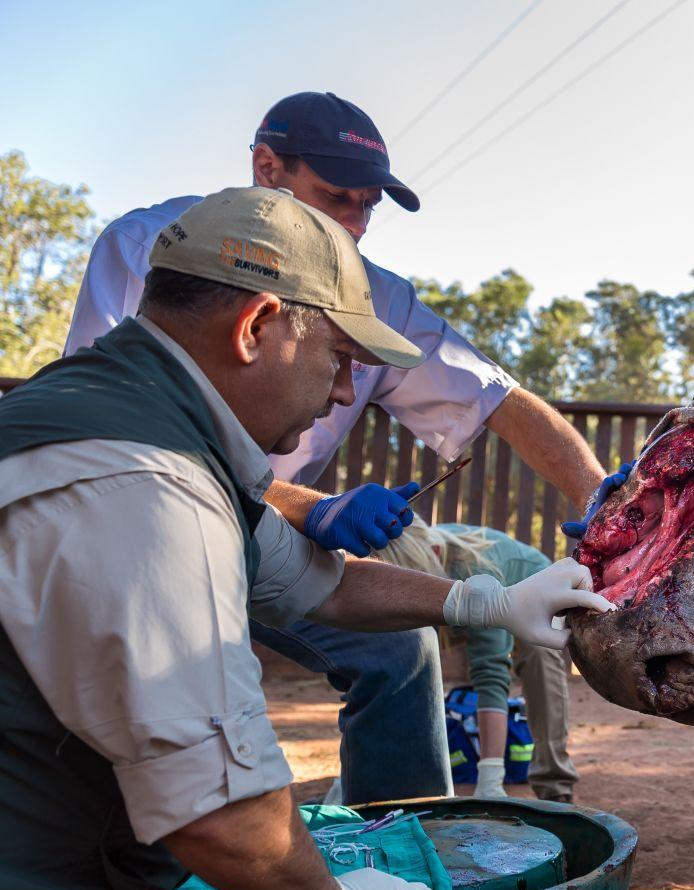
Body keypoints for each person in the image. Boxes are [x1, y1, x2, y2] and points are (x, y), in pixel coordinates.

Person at [0, 187, 612, 890]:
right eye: (341, 358)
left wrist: (483, 605)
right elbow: (224, 818)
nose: (347, 392)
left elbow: (315, 581)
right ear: (258, 326)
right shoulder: (146, 488)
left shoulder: (123, 411)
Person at [61, 91, 610, 805]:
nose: (352, 225)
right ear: (266, 168)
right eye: (335, 199)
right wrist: (310, 508)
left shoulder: (375, 296)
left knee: (397, 645)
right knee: (174, 710)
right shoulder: (147, 252)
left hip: (261, 528)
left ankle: (403, 841)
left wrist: (602, 498)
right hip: (139, 527)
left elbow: (494, 396)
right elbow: (111, 437)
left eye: (366, 206)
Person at [378, 517, 580, 802]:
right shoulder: (414, 555)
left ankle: (554, 785)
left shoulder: (474, 571)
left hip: (531, 587)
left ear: (434, 554)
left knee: (539, 659)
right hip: (464, 594)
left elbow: (491, 671)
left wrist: (490, 779)